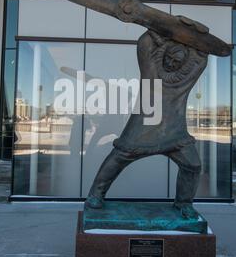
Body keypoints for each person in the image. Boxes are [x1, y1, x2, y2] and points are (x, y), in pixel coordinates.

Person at [85, 24, 208, 219]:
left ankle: (184, 203)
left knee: (192, 165)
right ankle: (95, 195)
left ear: (184, 62)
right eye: (169, 57)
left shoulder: (186, 78)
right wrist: (166, 26)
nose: (172, 63)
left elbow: (202, 52)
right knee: (117, 158)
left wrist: (190, 28)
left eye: (177, 61)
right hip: (142, 128)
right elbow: (145, 43)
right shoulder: (151, 68)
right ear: (164, 54)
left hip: (175, 132)